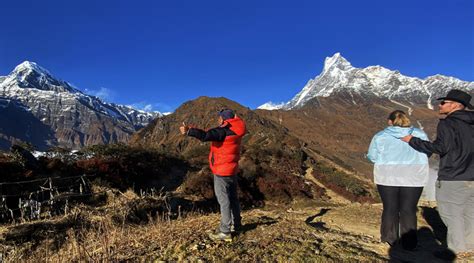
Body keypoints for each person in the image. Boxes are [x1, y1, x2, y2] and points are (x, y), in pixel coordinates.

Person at [401, 89, 474, 256]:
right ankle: (470, 246)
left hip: (453, 176)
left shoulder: (448, 123)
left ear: (456, 105)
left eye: (443, 102)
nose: (439, 105)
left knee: (451, 213)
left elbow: (441, 147)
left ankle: (456, 250)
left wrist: (413, 141)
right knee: (471, 213)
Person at [180, 109, 246, 242]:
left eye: (219, 118)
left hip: (221, 171)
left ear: (223, 119)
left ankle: (225, 231)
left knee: (224, 201)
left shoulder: (223, 131)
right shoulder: (237, 129)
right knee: (233, 198)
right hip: (232, 169)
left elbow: (205, 136)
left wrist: (189, 131)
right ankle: (237, 224)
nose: (218, 120)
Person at [368, 110, 430, 250]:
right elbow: (428, 150)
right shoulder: (419, 134)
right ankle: (409, 243)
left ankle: (390, 239)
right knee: (408, 209)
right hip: (414, 176)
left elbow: (372, 156)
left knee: (390, 208)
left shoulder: (380, 136)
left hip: (387, 176)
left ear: (390, 121)